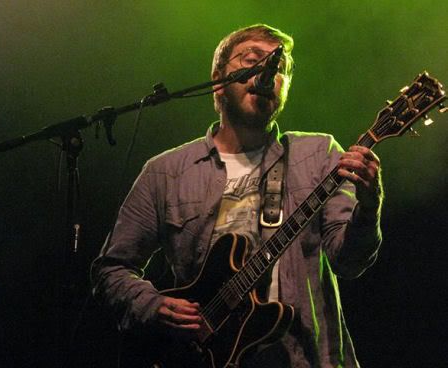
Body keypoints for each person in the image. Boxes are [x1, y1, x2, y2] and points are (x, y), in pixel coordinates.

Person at [91, 24, 383, 368]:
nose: (270, 72)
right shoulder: (165, 172)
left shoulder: (319, 154)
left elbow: (348, 263)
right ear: (218, 81)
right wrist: (153, 305)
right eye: (254, 60)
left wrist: (369, 206)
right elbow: (111, 268)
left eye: (281, 69)